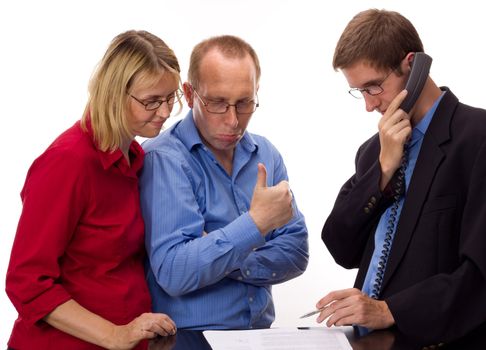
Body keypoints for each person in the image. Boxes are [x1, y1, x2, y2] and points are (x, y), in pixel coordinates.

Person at [316, 9, 486, 347]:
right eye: (359, 91)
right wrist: (382, 172)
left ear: (412, 65)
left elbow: (479, 276)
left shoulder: (477, 138)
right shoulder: (374, 151)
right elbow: (340, 246)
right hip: (369, 342)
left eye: (374, 87)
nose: (369, 106)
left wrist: (389, 310)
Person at [5, 30, 181, 349]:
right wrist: (114, 334)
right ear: (114, 93)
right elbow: (26, 282)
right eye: (152, 101)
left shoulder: (136, 158)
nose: (166, 112)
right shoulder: (67, 162)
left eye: (171, 98)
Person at [140, 35, 309, 330]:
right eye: (217, 103)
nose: (233, 120)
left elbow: (297, 252)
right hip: (190, 340)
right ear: (190, 95)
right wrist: (256, 226)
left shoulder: (266, 154)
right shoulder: (164, 159)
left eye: (244, 102)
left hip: (260, 336)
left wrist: (221, 254)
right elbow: (174, 272)